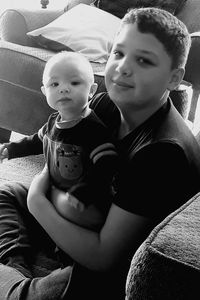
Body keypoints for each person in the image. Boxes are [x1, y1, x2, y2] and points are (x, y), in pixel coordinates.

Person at [0, 7, 200, 300]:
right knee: (5, 193)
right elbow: (55, 132)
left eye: (143, 60)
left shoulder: (162, 153)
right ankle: (14, 263)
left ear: (173, 78)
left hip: (105, 270)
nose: (123, 68)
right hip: (85, 214)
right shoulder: (106, 103)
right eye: (118, 54)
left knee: (27, 286)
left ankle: (17, 283)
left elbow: (103, 258)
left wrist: (38, 202)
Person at [0, 51, 118, 230]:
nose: (63, 88)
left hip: (82, 203)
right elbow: (36, 141)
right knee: (4, 195)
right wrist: (11, 149)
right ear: (44, 91)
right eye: (54, 84)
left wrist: (84, 193)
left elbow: (107, 164)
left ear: (92, 91)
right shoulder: (53, 121)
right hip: (54, 191)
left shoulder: (93, 130)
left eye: (74, 82)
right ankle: (16, 254)